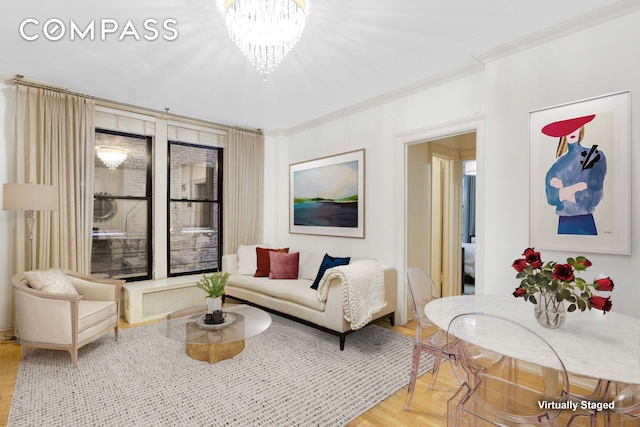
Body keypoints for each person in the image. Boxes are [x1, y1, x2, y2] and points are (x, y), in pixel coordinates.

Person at [542, 114, 606, 235]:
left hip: (585, 221)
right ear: (562, 134)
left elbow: (593, 198)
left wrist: (562, 190)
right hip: (564, 223)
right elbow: (551, 198)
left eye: (575, 126)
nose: (572, 131)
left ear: (581, 128)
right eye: (567, 128)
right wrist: (576, 188)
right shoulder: (556, 166)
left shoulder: (594, 155)